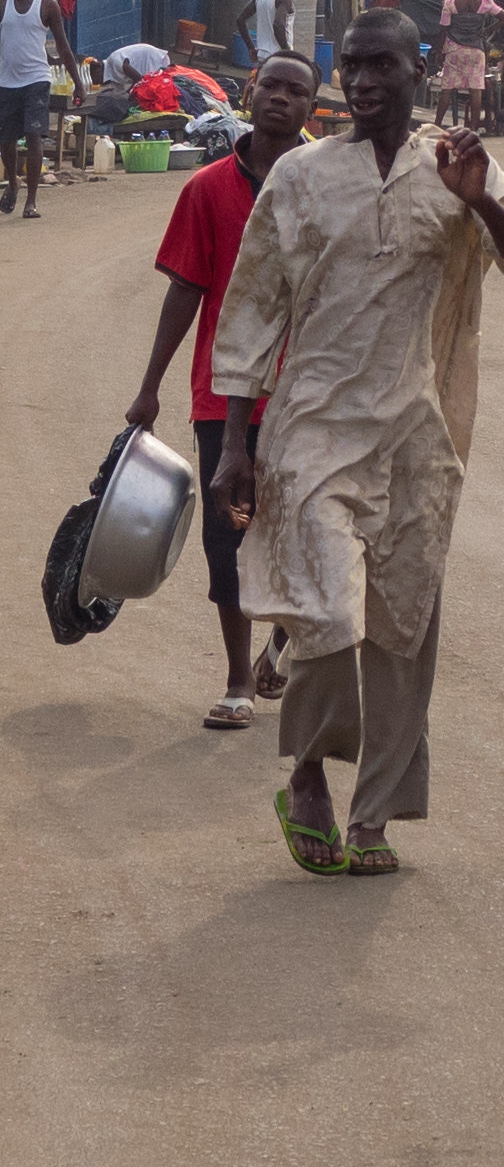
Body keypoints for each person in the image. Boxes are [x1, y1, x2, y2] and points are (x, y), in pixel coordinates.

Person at [208, 9, 504, 877]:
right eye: (353, 66)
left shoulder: (455, 165)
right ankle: (305, 776)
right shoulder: (299, 175)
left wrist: (478, 198)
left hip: (417, 431)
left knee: (402, 627)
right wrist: (234, 442)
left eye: (383, 65)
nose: (364, 81)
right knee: (328, 613)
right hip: (311, 428)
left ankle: (374, 816)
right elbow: (253, 307)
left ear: (420, 70)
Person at [124, 51, 319, 727]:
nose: (281, 99)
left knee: (308, 534)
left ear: (310, 109)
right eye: (272, 86)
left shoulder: (328, 188)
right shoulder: (206, 189)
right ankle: (238, 680)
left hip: (314, 397)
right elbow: (186, 289)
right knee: (230, 536)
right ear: (250, 92)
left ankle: (285, 641)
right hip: (224, 400)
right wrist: (149, 387)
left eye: (297, 91)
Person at [0, 0, 83, 220]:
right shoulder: (2, 3)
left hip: (36, 79)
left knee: (34, 137)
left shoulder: (47, 6)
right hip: (6, 81)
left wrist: (78, 84)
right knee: (6, 140)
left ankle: (31, 200)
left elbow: (63, 47)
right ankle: (13, 182)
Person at [431, 0, 497, 132]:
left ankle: (437, 126)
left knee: (447, 89)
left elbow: (443, 29)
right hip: (476, 51)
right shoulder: (485, 3)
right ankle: (473, 129)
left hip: (454, 50)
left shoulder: (451, 3)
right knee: (475, 90)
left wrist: (439, 51)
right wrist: (488, 31)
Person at [237, 0, 297, 66]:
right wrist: (286, 51)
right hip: (278, 59)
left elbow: (240, 19)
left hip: (262, 57)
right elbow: (278, 25)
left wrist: (251, 48)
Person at [104, 42, 170, 86]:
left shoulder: (114, 61)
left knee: (151, 86)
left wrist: (130, 94)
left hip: (151, 57)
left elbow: (138, 79)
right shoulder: (111, 66)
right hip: (147, 56)